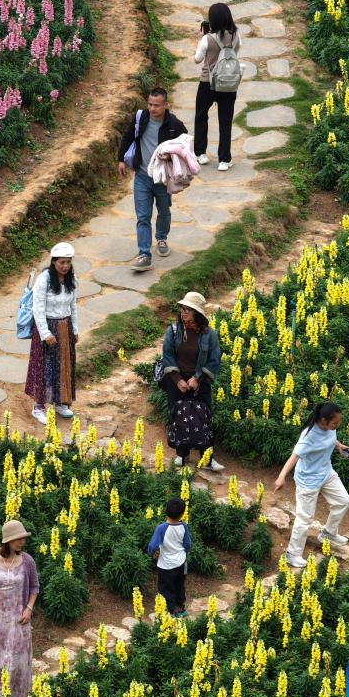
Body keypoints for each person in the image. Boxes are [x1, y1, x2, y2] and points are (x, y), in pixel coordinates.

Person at [117, 88, 188, 272]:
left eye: (156, 105)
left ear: (166, 105)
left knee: (164, 211)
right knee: (143, 217)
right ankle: (144, 255)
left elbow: (186, 147)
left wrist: (171, 157)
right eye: (149, 104)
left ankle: (161, 237)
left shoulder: (174, 124)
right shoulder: (141, 118)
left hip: (162, 179)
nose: (152, 108)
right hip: (142, 176)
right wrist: (121, 159)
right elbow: (128, 136)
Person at [274, 402, 349, 568]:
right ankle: (292, 554)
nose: (337, 425)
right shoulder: (308, 436)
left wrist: (339, 446)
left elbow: (330, 438)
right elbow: (294, 456)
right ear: (323, 420)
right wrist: (281, 477)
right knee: (305, 518)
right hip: (308, 480)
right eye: (335, 423)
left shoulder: (330, 427)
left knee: (343, 501)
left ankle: (328, 533)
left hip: (326, 472)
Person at [0, 520, 39, 697]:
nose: (22, 542)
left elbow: (34, 587)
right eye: (18, 538)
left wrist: (29, 609)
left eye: (23, 538)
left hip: (18, 619)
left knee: (17, 657)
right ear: (8, 540)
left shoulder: (27, 561)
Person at [161, 291, 224, 471]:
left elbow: (214, 360)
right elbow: (167, 355)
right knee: (179, 416)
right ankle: (182, 454)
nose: (183, 312)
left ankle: (208, 459)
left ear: (197, 313)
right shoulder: (174, 331)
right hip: (177, 384)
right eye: (182, 309)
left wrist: (197, 378)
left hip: (200, 384)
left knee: (204, 418)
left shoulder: (209, 335)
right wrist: (178, 379)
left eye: (187, 309)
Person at [25, 242, 79, 425]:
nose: (65, 266)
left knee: (64, 365)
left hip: (65, 327)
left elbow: (73, 306)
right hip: (47, 328)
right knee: (44, 367)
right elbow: (37, 308)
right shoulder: (44, 280)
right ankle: (38, 407)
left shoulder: (71, 279)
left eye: (68, 262)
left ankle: (61, 402)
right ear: (54, 262)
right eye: (62, 262)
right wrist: (45, 333)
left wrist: (75, 329)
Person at [194, 3, 241, 171]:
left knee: (201, 116)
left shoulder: (207, 38)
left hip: (207, 83)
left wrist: (200, 38)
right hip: (228, 84)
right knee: (225, 121)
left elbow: (197, 59)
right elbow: (233, 55)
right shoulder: (236, 36)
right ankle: (224, 160)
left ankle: (200, 154)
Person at [147, 497, 192, 618]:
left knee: (166, 588)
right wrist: (183, 553)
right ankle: (180, 608)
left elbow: (152, 546)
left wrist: (153, 553)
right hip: (181, 562)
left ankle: (170, 611)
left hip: (166, 565)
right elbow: (187, 545)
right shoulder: (184, 526)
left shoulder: (161, 528)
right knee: (179, 585)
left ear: (166, 511)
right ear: (182, 513)